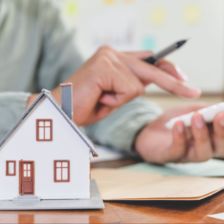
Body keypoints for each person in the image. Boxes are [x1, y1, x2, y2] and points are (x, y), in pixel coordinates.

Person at [1, 0, 224, 164]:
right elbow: (64, 103)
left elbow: (89, 97)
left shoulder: (36, 12)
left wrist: (142, 129)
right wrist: (46, 111)